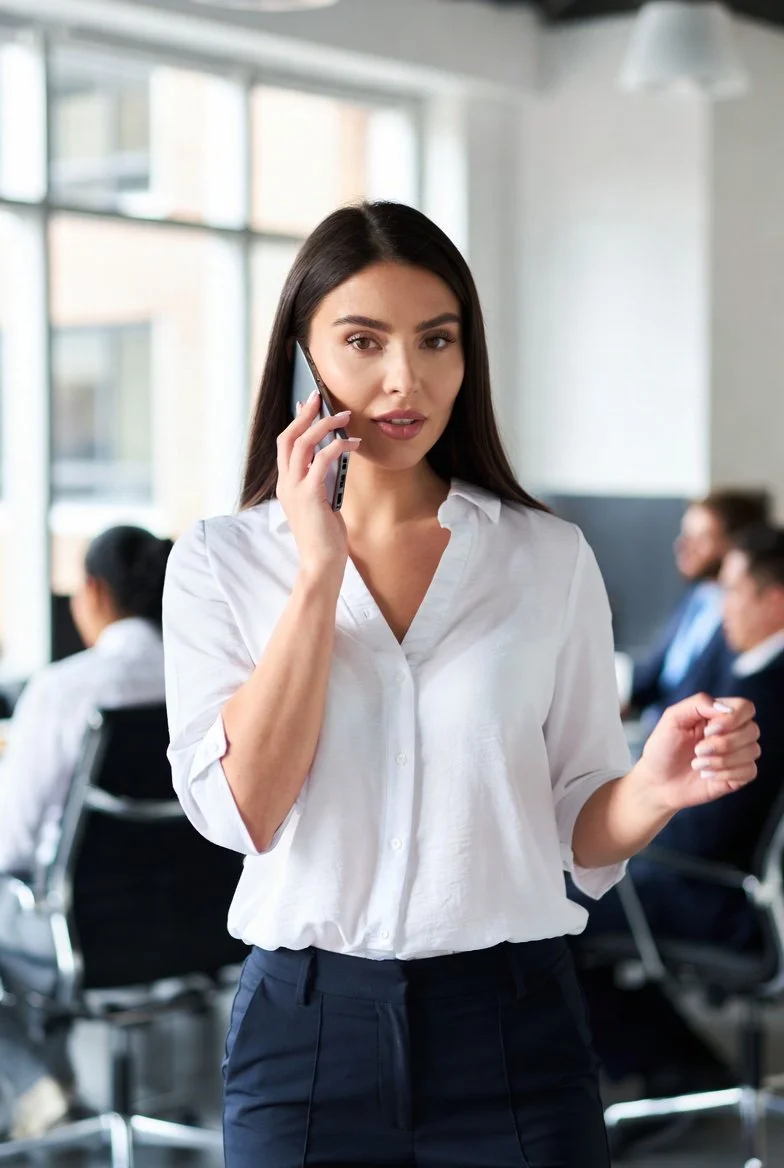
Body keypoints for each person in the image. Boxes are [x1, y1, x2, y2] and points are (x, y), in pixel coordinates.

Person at [162, 201, 758, 1168]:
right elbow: (246, 813)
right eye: (363, 341)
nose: (408, 380)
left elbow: (575, 824)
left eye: (437, 340)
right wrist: (318, 572)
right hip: (307, 1040)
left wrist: (654, 787)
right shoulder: (222, 564)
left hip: (514, 1032)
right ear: (305, 359)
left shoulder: (548, 557)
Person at [573, 523, 784, 1140]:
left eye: (735, 591)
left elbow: (707, 833)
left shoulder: (764, 697)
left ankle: (667, 1067)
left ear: (774, 601)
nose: (721, 607)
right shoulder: (754, 674)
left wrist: (625, 822)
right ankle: (673, 1056)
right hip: (729, 883)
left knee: (563, 909)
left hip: (727, 898)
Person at [0, 525, 172, 1141]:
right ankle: (52, 1087)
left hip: (79, 932)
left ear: (93, 592)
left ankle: (33, 1085)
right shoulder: (210, 679)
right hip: (198, 931)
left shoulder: (63, 690)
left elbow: (11, 845)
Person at [629, 489, 770, 729]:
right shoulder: (696, 597)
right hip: (652, 731)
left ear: (734, 544)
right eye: (685, 534)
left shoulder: (748, 618)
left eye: (701, 538)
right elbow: (656, 676)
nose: (683, 545)